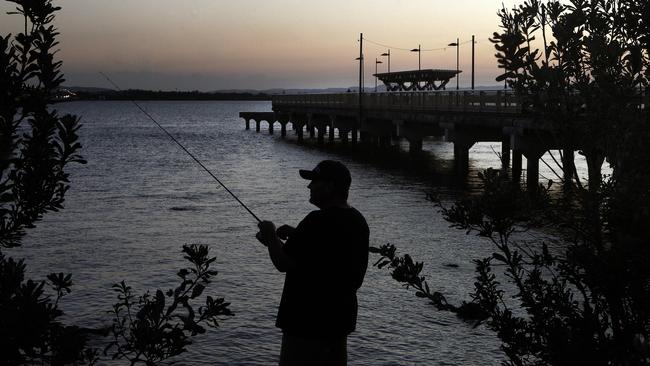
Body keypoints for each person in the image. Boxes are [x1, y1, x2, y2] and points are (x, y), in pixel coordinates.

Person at [256, 160, 369, 366]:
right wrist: (296, 235)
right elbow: (325, 254)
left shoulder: (316, 221)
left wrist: (271, 235)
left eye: (314, 182)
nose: (309, 186)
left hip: (306, 323)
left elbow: (283, 262)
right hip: (339, 321)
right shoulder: (357, 220)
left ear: (330, 186)